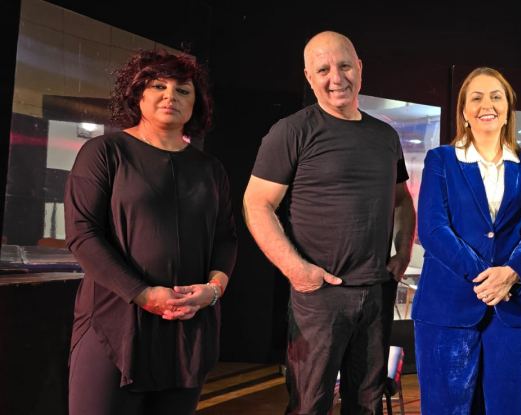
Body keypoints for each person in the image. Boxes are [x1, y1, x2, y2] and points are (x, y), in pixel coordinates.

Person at [243, 31, 415, 415]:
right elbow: (256, 204)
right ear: (309, 77)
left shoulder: (385, 136)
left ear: (360, 68)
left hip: (376, 293)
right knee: (309, 405)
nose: (336, 78)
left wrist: (402, 253)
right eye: (323, 70)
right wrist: (296, 269)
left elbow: (402, 200)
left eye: (344, 66)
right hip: (318, 297)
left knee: (367, 404)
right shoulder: (291, 131)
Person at [65, 49, 237, 415]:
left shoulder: (210, 169)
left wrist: (213, 291)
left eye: (183, 90)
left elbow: (225, 239)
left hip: (187, 326)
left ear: (196, 103)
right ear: (138, 93)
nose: (170, 96)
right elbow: (83, 234)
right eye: (159, 85)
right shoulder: (104, 152)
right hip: (114, 318)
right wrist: (142, 294)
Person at [412, 67, 521, 415]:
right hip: (446, 310)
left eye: (495, 96)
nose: (486, 104)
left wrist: (511, 273)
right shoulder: (440, 160)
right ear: (464, 111)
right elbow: (432, 229)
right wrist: (488, 279)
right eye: (475, 98)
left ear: (508, 109)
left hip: (515, 309)